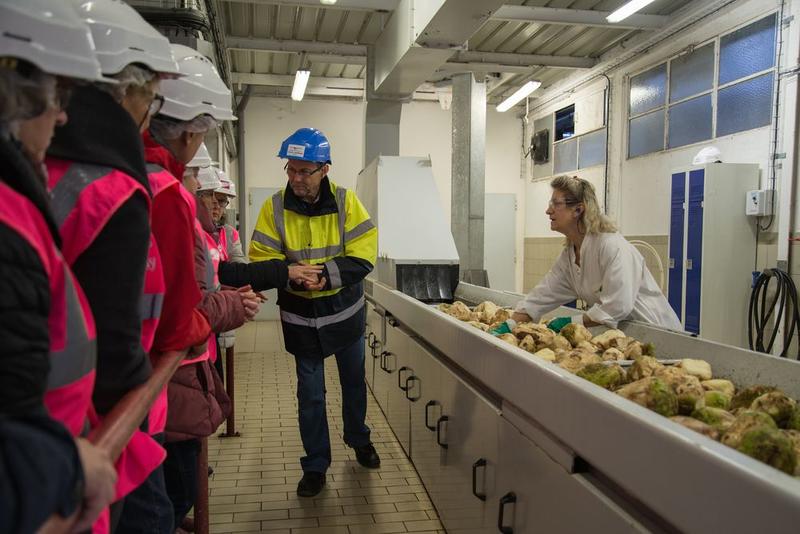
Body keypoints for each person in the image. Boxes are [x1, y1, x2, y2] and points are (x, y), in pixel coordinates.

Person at [45, 1, 182, 531]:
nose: (150, 114)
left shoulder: (47, 172)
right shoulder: (115, 191)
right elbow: (116, 325)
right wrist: (133, 412)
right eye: (150, 97)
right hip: (88, 438)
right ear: (124, 92)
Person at [0, 0, 117, 530]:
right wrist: (65, 465)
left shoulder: (20, 205)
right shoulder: (8, 224)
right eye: (56, 96)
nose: (63, 115)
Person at [249, 127, 380, 497]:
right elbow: (262, 258)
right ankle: (316, 464)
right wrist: (291, 275)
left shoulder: (346, 201)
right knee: (311, 394)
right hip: (301, 320)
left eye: (304, 171)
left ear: (325, 168)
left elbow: (364, 253)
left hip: (345, 314)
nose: (296, 179)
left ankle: (359, 440)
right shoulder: (274, 207)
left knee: (354, 384)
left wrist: (325, 276)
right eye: (291, 170)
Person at [505, 175, 681, 332]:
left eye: (556, 204)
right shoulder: (570, 256)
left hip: (658, 334)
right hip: (625, 336)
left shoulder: (612, 246)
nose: (548, 210)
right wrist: (509, 325)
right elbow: (541, 297)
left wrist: (571, 322)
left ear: (578, 210)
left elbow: (617, 306)